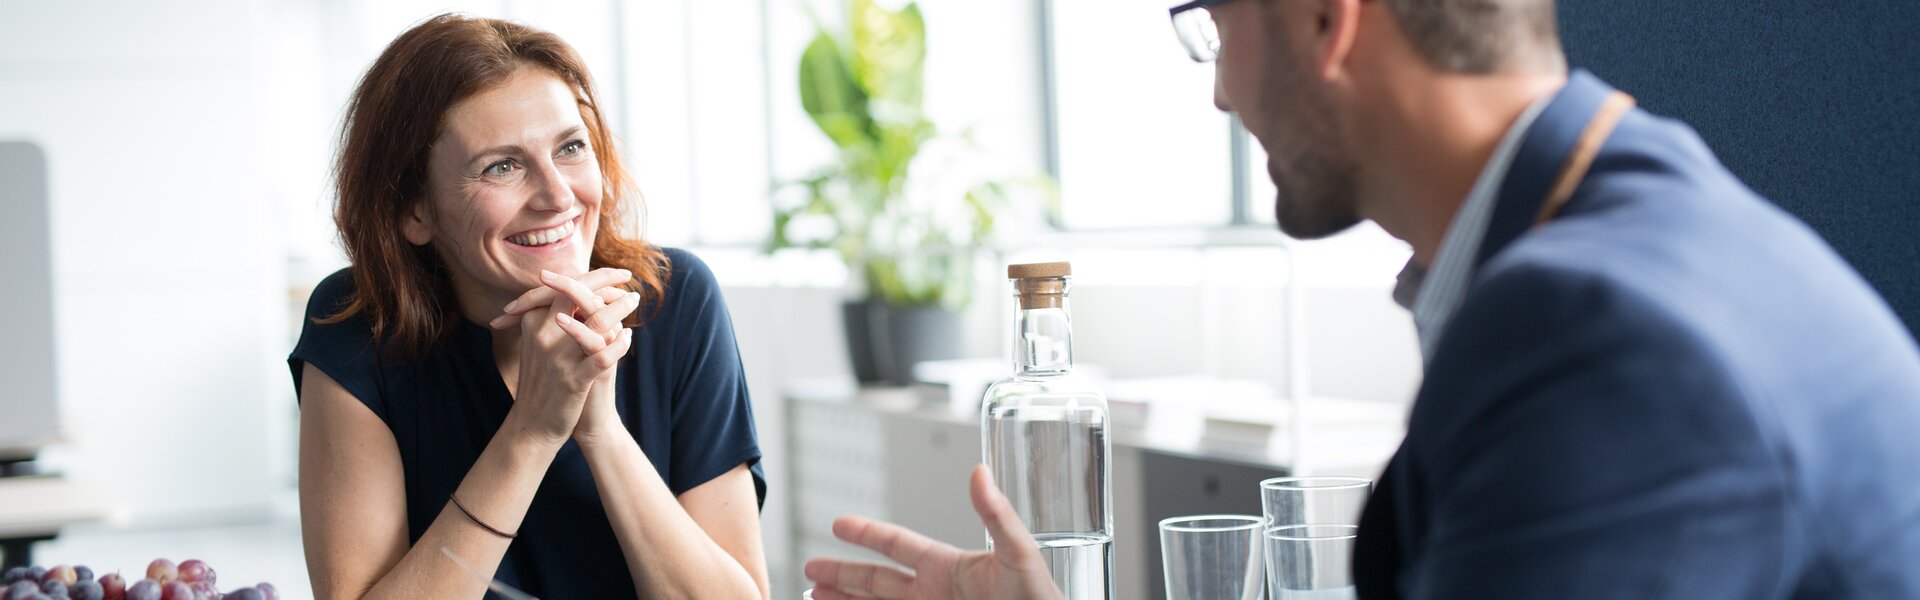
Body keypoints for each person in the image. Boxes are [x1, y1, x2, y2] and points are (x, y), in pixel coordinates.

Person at [803, 0, 1920, 598]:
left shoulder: (1595, 336)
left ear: (1327, 20)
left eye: (1216, 25)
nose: (1220, 90)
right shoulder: (1645, 218)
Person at [289, 14, 769, 599]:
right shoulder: (357, 325)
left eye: (570, 147)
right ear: (414, 210)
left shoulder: (675, 298)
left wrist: (600, 431)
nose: (558, 196)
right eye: (502, 166)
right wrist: (533, 431)